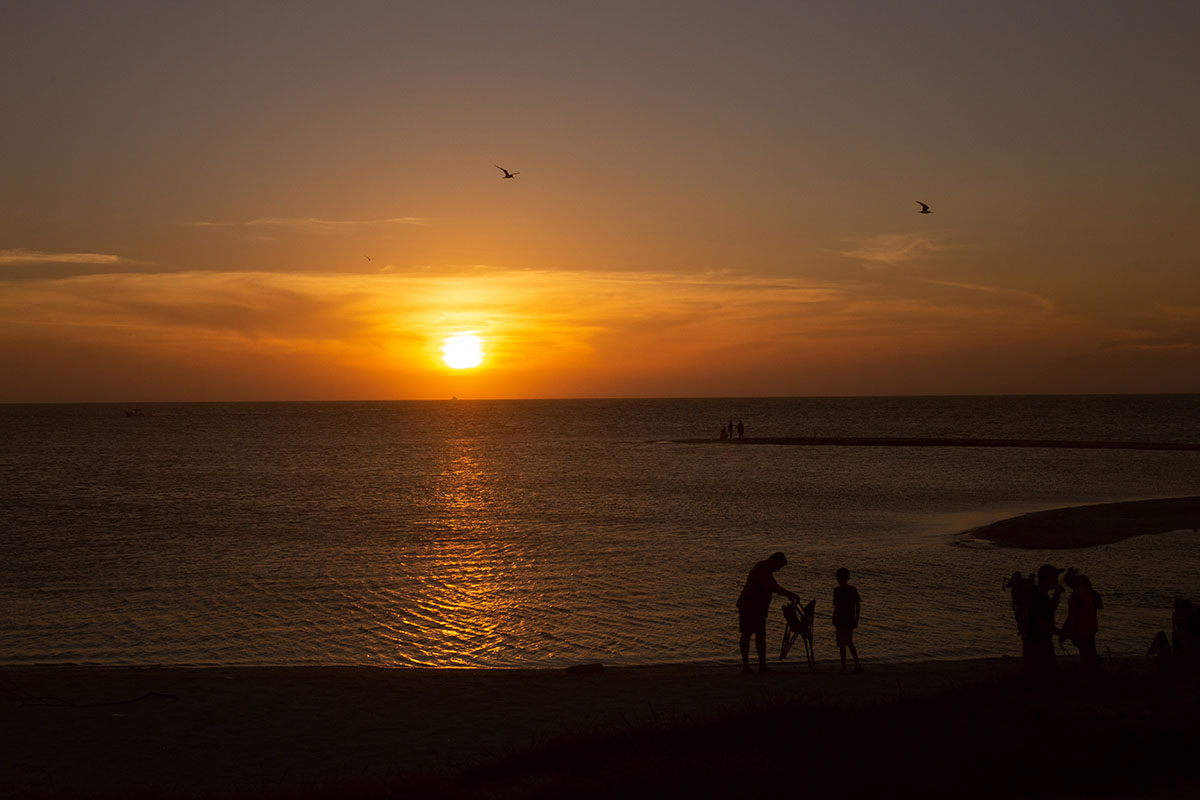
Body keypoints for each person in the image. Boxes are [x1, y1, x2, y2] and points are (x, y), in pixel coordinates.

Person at [737, 552, 800, 673]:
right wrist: (789, 594)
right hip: (749, 607)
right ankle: (748, 666)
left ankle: (760, 665)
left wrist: (787, 594)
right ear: (774, 561)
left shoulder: (764, 569)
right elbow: (773, 587)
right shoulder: (762, 570)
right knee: (748, 634)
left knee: (759, 636)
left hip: (757, 609)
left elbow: (773, 586)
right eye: (779, 567)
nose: (778, 570)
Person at [1024, 563, 1064, 676]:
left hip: (1038, 641)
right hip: (1038, 644)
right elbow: (1042, 624)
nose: (1057, 580)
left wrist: (1057, 594)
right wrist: (1063, 633)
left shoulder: (1041, 595)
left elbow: (1050, 609)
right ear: (1047, 579)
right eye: (1054, 577)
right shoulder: (1039, 596)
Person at [1060, 567, 1102, 672]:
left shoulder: (1077, 595)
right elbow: (1099, 605)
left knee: (1086, 654)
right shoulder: (1089, 591)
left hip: (1082, 629)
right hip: (1091, 626)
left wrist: (1067, 631)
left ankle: (1089, 674)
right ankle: (1093, 671)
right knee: (1090, 651)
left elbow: (1072, 616)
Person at [832, 567, 862, 674]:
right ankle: (856, 665)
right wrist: (856, 618)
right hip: (847, 619)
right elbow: (857, 606)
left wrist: (833, 617)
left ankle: (845, 667)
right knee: (848, 642)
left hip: (842, 619)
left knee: (843, 644)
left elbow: (836, 607)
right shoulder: (851, 590)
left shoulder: (838, 591)